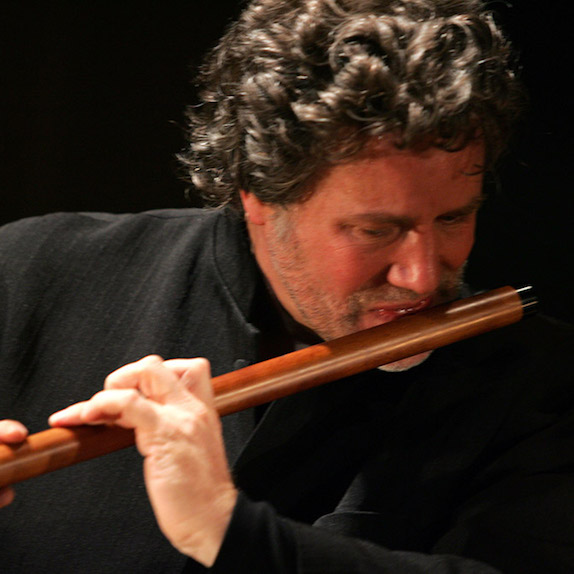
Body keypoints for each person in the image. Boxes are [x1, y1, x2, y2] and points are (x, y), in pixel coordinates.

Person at [0, 0, 572, 572]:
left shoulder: (542, 387)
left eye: (452, 219)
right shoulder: (26, 273)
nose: (421, 274)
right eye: (375, 230)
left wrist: (223, 529)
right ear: (258, 196)